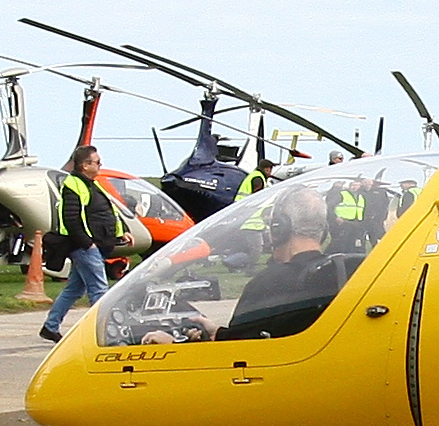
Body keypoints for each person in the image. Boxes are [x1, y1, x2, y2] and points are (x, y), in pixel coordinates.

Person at [145, 187, 340, 344]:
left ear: (279, 229)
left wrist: (171, 345)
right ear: (323, 232)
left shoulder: (269, 284)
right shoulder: (343, 274)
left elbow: (236, 356)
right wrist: (218, 334)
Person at [40, 145, 125, 343]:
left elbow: (104, 213)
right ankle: (102, 335)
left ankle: (50, 327)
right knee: (100, 290)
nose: (100, 165)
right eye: (97, 162)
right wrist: (87, 244)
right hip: (85, 247)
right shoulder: (74, 185)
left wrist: (122, 233)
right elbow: (71, 219)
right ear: (85, 165)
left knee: (74, 289)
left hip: (94, 245)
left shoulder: (92, 184)